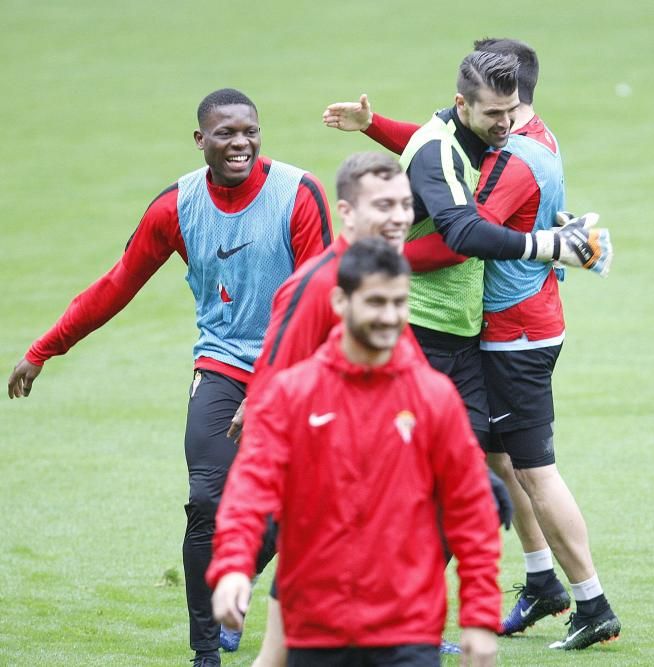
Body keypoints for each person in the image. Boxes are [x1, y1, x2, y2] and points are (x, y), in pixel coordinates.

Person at [6, 88, 332, 665]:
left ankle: (240, 576)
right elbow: (116, 285)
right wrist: (44, 349)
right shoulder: (176, 206)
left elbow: (319, 300)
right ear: (200, 139)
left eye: (250, 131)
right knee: (207, 499)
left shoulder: (298, 193)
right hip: (222, 364)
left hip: (300, 362)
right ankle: (205, 651)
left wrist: (270, 386)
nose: (241, 143)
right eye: (227, 133)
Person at [325, 39, 621, 650]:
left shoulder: (510, 152)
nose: (503, 126)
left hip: (510, 332)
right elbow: (438, 153)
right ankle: (536, 585)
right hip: (476, 330)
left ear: (522, 99)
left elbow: (460, 227)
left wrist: (382, 262)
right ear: (466, 102)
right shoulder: (515, 138)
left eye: (509, 114)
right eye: (493, 115)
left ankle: (589, 602)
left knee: (517, 470)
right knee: (484, 465)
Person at [228, 151, 512, 666]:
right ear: (348, 213)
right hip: (318, 506)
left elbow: (404, 380)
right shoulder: (318, 285)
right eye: (385, 205)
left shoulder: (388, 279)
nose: (401, 216)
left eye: (406, 204)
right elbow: (272, 393)